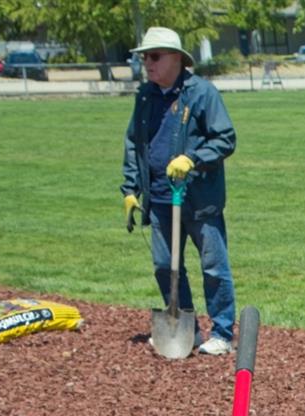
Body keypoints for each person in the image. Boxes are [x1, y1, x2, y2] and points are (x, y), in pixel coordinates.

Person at [122, 26, 237, 357]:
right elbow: (134, 143)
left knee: (214, 266)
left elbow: (225, 138)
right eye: (145, 57)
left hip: (199, 199)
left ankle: (222, 332)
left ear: (176, 59)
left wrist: (193, 158)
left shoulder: (202, 93)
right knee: (164, 265)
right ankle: (187, 330)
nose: (148, 63)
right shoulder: (145, 96)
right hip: (158, 198)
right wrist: (130, 187)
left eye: (154, 56)